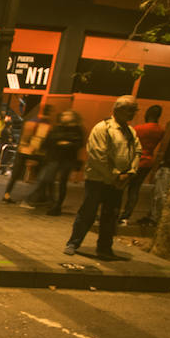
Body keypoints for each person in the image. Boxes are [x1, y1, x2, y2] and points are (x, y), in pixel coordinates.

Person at [64, 96, 141, 260]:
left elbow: (137, 152)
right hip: (98, 180)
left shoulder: (130, 131)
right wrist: (115, 175)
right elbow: (98, 156)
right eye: (130, 109)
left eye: (135, 110)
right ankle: (73, 243)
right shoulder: (103, 128)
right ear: (117, 109)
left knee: (110, 216)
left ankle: (105, 248)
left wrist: (130, 172)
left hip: (118, 183)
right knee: (88, 213)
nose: (132, 114)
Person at [23, 110, 84, 215]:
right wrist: (65, 143)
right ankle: (51, 201)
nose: (65, 116)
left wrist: (63, 143)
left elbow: (78, 144)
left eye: (68, 115)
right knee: (48, 179)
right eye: (64, 114)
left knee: (62, 183)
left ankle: (57, 205)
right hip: (54, 158)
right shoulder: (58, 128)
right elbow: (50, 140)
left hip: (67, 159)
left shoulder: (77, 130)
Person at [120, 104, 164, 224]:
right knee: (135, 189)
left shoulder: (139, 129)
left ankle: (115, 212)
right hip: (148, 161)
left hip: (135, 160)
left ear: (148, 114)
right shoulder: (160, 130)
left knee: (121, 186)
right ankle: (126, 215)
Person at [3, 104, 53, 203]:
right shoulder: (47, 125)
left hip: (24, 151)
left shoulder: (31, 121)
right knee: (41, 175)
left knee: (15, 176)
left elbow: (25, 137)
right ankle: (37, 197)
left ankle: (7, 194)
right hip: (37, 153)